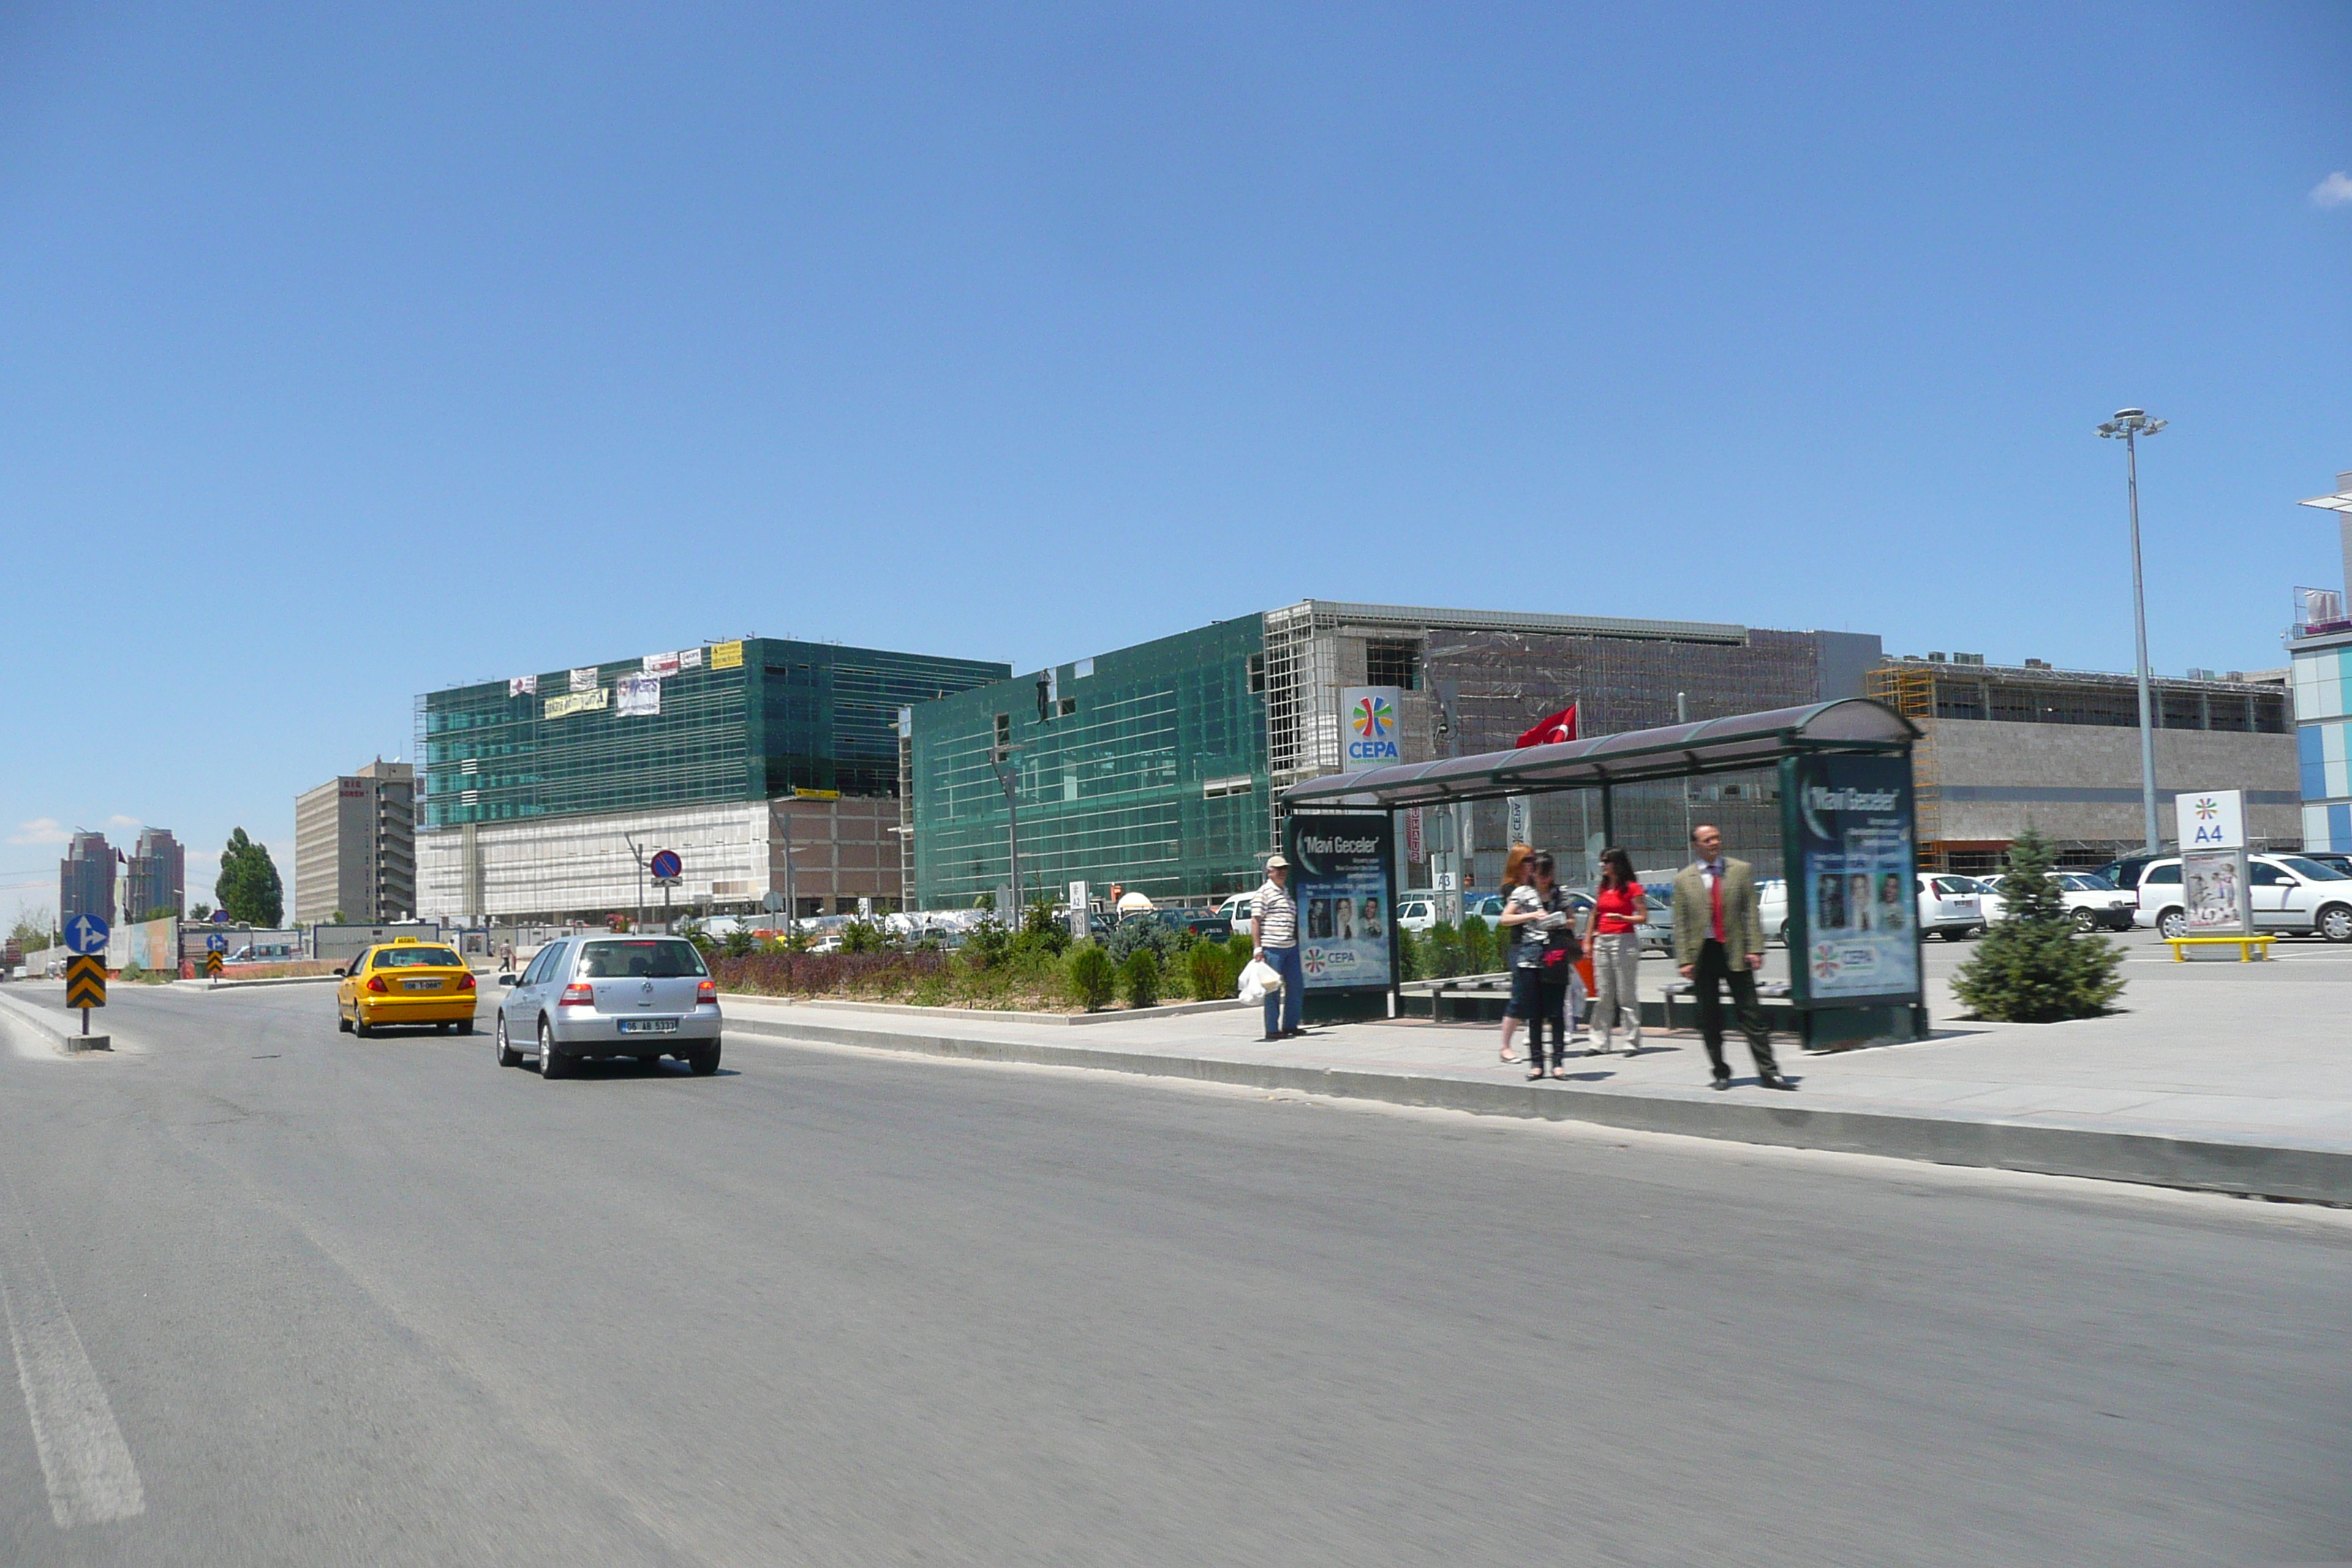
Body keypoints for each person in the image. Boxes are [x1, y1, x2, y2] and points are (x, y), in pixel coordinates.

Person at [1672, 823, 1793, 1091]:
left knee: (1751, 1014)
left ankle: (1769, 1073)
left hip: (1736, 950)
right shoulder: (1684, 880)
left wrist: (1756, 948)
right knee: (1709, 1017)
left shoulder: (1740, 870)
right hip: (1703, 953)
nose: (1714, 843)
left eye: (1717, 838)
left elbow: (1751, 912)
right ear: (1696, 845)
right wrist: (1684, 960)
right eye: (1708, 840)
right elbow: (1680, 923)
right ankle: (1721, 1071)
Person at [1501, 851, 1576, 1079]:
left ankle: (1558, 1063)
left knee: (1556, 1012)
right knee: (1533, 1013)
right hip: (1530, 956)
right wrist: (1532, 915)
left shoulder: (1560, 893)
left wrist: (1560, 921)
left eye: (1549, 874)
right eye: (1541, 874)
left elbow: (1573, 921)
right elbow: (1505, 919)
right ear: (1533, 872)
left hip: (1554, 955)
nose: (1545, 879)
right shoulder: (1522, 893)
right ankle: (1537, 1063)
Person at [1581, 847, 1646, 1055]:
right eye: (1601, 861)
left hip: (1624, 940)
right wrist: (1588, 939)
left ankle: (1631, 1042)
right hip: (1603, 941)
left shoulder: (1632, 888)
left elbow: (1644, 917)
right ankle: (1598, 1043)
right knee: (1604, 995)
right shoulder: (1602, 888)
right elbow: (1595, 914)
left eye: (1606, 861)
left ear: (1617, 863)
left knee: (1626, 995)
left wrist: (1624, 919)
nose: (1603, 865)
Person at [1250, 854, 1303, 1041]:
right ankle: (1272, 1029)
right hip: (1272, 948)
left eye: (1284, 869)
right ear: (1269, 872)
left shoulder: (1285, 892)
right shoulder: (1263, 893)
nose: (1282, 873)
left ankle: (1291, 1024)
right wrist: (1258, 949)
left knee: (1296, 986)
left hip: (1290, 946)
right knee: (1272, 989)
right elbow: (1256, 921)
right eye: (1278, 869)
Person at [1494, 844, 1535, 1063]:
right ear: (1518, 864)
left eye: (1534, 860)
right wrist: (1532, 915)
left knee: (1539, 995)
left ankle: (1535, 1042)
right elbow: (1507, 918)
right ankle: (1505, 1047)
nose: (1533, 865)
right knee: (1520, 996)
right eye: (1528, 860)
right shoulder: (1511, 889)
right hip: (1521, 947)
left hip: (1540, 946)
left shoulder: (1536, 885)